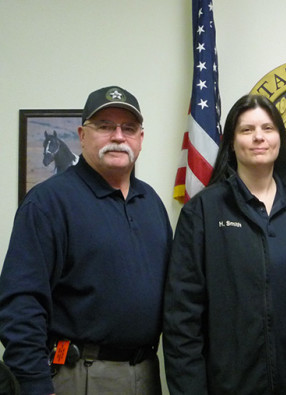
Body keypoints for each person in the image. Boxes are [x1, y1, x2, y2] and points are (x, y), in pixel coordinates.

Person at [0, 86, 172, 395]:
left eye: (128, 128)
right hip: (79, 376)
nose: (118, 136)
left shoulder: (151, 203)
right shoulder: (49, 202)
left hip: (146, 373)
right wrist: (34, 384)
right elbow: (21, 303)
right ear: (82, 135)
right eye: (105, 126)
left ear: (140, 139)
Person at [162, 94, 286, 394]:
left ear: (280, 139)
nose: (259, 137)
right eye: (247, 130)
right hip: (228, 384)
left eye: (267, 128)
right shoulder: (203, 211)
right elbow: (181, 318)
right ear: (231, 142)